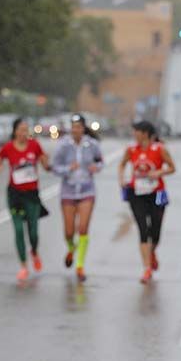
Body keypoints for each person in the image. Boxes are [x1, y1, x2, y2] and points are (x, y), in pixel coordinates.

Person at [0, 117, 50, 282]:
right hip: (15, 195)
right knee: (19, 230)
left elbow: (46, 165)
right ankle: (23, 266)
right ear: (15, 131)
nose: (24, 133)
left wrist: (47, 161)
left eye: (26, 130)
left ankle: (34, 252)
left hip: (32, 195)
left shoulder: (35, 146)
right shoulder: (8, 147)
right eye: (21, 130)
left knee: (33, 232)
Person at [119, 121, 176, 284]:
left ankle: (152, 252)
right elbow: (122, 165)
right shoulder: (131, 149)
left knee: (155, 230)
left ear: (145, 133)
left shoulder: (160, 149)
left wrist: (158, 172)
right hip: (136, 193)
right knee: (143, 229)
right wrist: (121, 180)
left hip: (158, 193)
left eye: (136, 131)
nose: (134, 134)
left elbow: (172, 167)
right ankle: (147, 268)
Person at [52, 114, 103, 282]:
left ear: (83, 128)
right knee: (69, 231)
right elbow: (55, 167)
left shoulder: (92, 144)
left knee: (83, 228)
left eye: (79, 127)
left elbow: (100, 161)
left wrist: (96, 167)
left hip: (87, 190)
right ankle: (71, 248)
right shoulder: (63, 145)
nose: (76, 130)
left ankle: (80, 266)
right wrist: (68, 168)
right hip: (68, 191)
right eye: (73, 127)